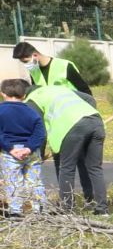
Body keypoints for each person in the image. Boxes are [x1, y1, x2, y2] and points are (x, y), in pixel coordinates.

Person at [20, 51, 106, 212]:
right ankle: (102, 209)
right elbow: (90, 99)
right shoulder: (57, 89)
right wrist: (87, 116)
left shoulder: (33, 99)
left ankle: (67, 209)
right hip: (96, 122)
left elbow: (40, 130)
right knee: (95, 168)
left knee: (66, 168)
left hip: (73, 127)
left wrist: (38, 154)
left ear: (24, 94)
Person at [0, 78, 44, 216]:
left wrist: (10, 148)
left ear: (2, 93)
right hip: (31, 152)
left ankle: (15, 212)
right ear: (24, 95)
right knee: (34, 181)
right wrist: (29, 148)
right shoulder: (32, 112)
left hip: (10, 153)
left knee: (13, 182)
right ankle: (39, 209)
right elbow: (40, 133)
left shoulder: (1, 110)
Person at [14, 40, 93, 102]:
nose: (26, 65)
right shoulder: (34, 71)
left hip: (73, 108)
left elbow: (84, 90)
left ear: (35, 55)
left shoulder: (65, 66)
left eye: (26, 61)